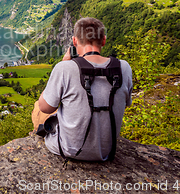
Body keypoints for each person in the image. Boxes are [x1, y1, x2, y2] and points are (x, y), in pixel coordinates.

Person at [32, 17, 133, 161]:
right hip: (107, 150)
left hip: (68, 149)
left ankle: (36, 132)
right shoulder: (123, 67)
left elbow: (45, 107)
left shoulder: (65, 68)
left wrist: (64, 64)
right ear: (103, 40)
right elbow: (126, 103)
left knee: (39, 105)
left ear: (74, 41)